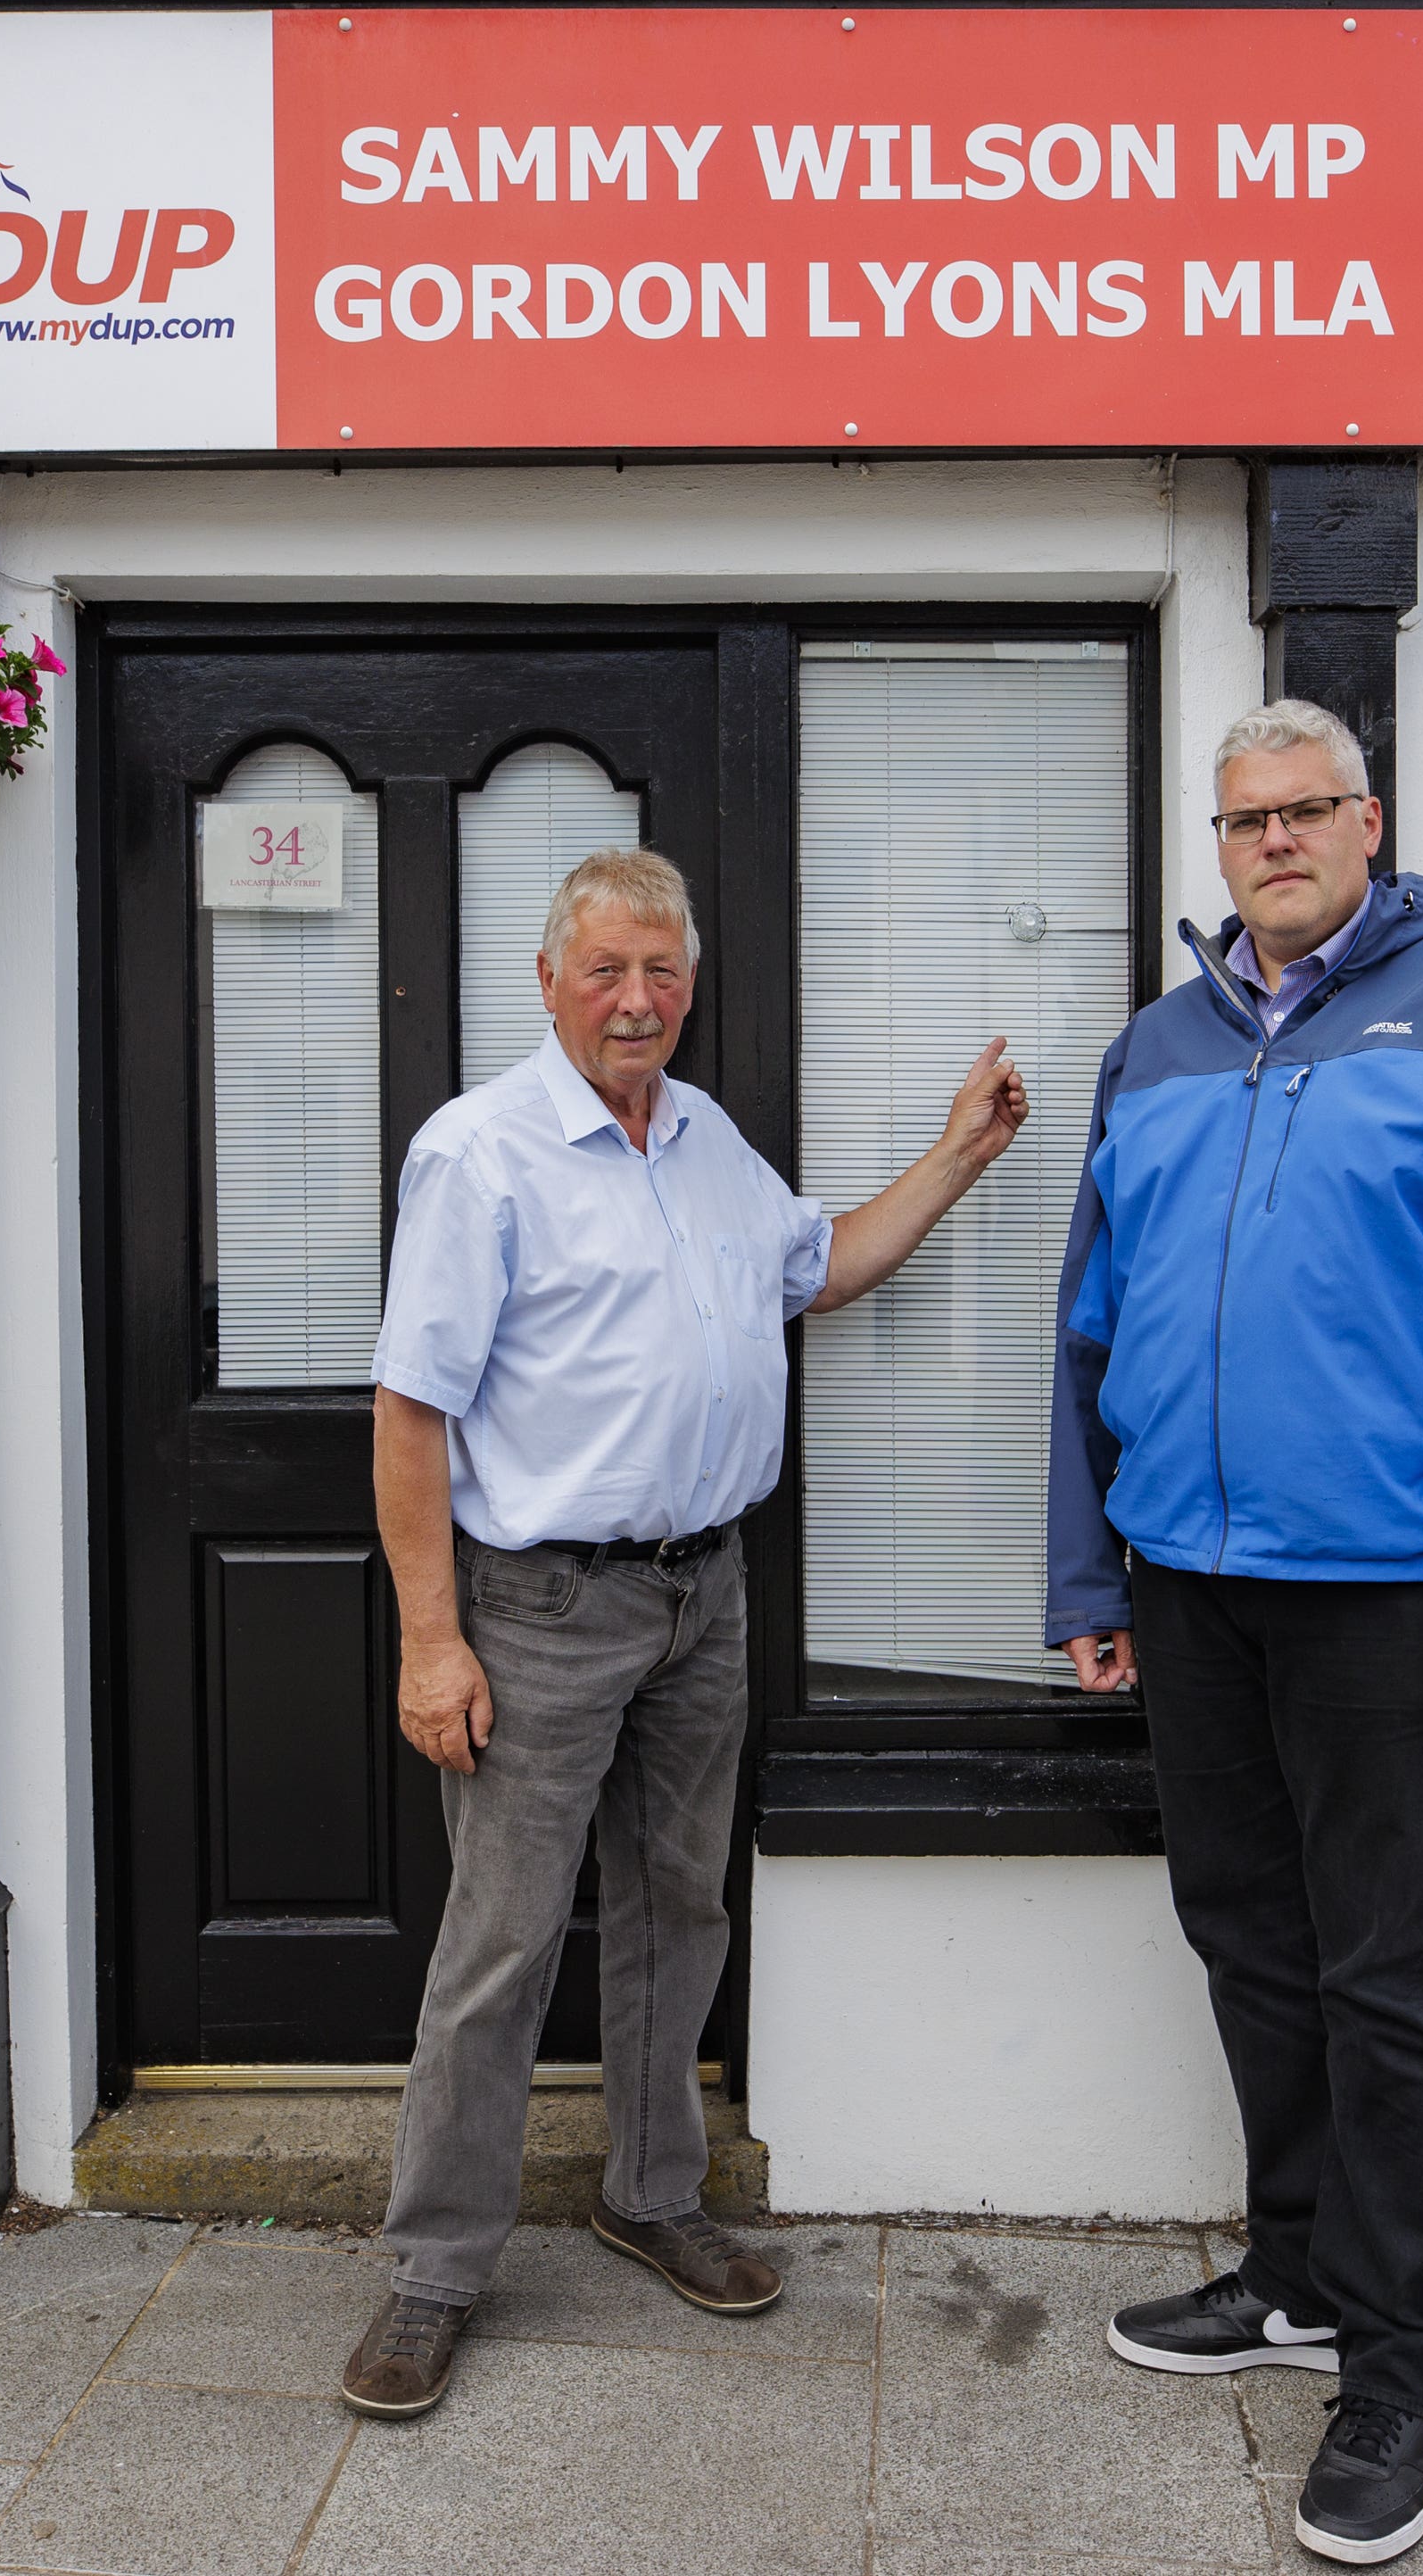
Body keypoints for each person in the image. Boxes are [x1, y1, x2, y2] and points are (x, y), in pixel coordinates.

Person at [341, 844, 1025, 2422]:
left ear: (689, 986)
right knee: (501, 1947)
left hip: (702, 1594)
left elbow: (821, 1268)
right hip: (544, 1609)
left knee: (677, 1909)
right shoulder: (481, 1154)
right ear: (549, 983)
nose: (637, 1000)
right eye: (607, 972)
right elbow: (406, 1412)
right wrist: (430, 1643)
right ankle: (434, 2272)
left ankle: (651, 2195)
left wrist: (954, 1162)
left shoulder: (709, 1140)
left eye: (661, 973)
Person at [1047, 701, 1423, 2567]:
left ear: (1370, 822)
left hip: (1391, 1588)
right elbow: (1088, 1333)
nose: (1274, 843)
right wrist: (1088, 1577)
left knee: (1395, 1977)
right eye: (1243, 821)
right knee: (1248, 1939)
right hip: (1189, 1585)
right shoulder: (1157, 1047)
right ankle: (1293, 2270)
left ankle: (1406, 2355)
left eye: (1306, 812)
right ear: (1217, 845)